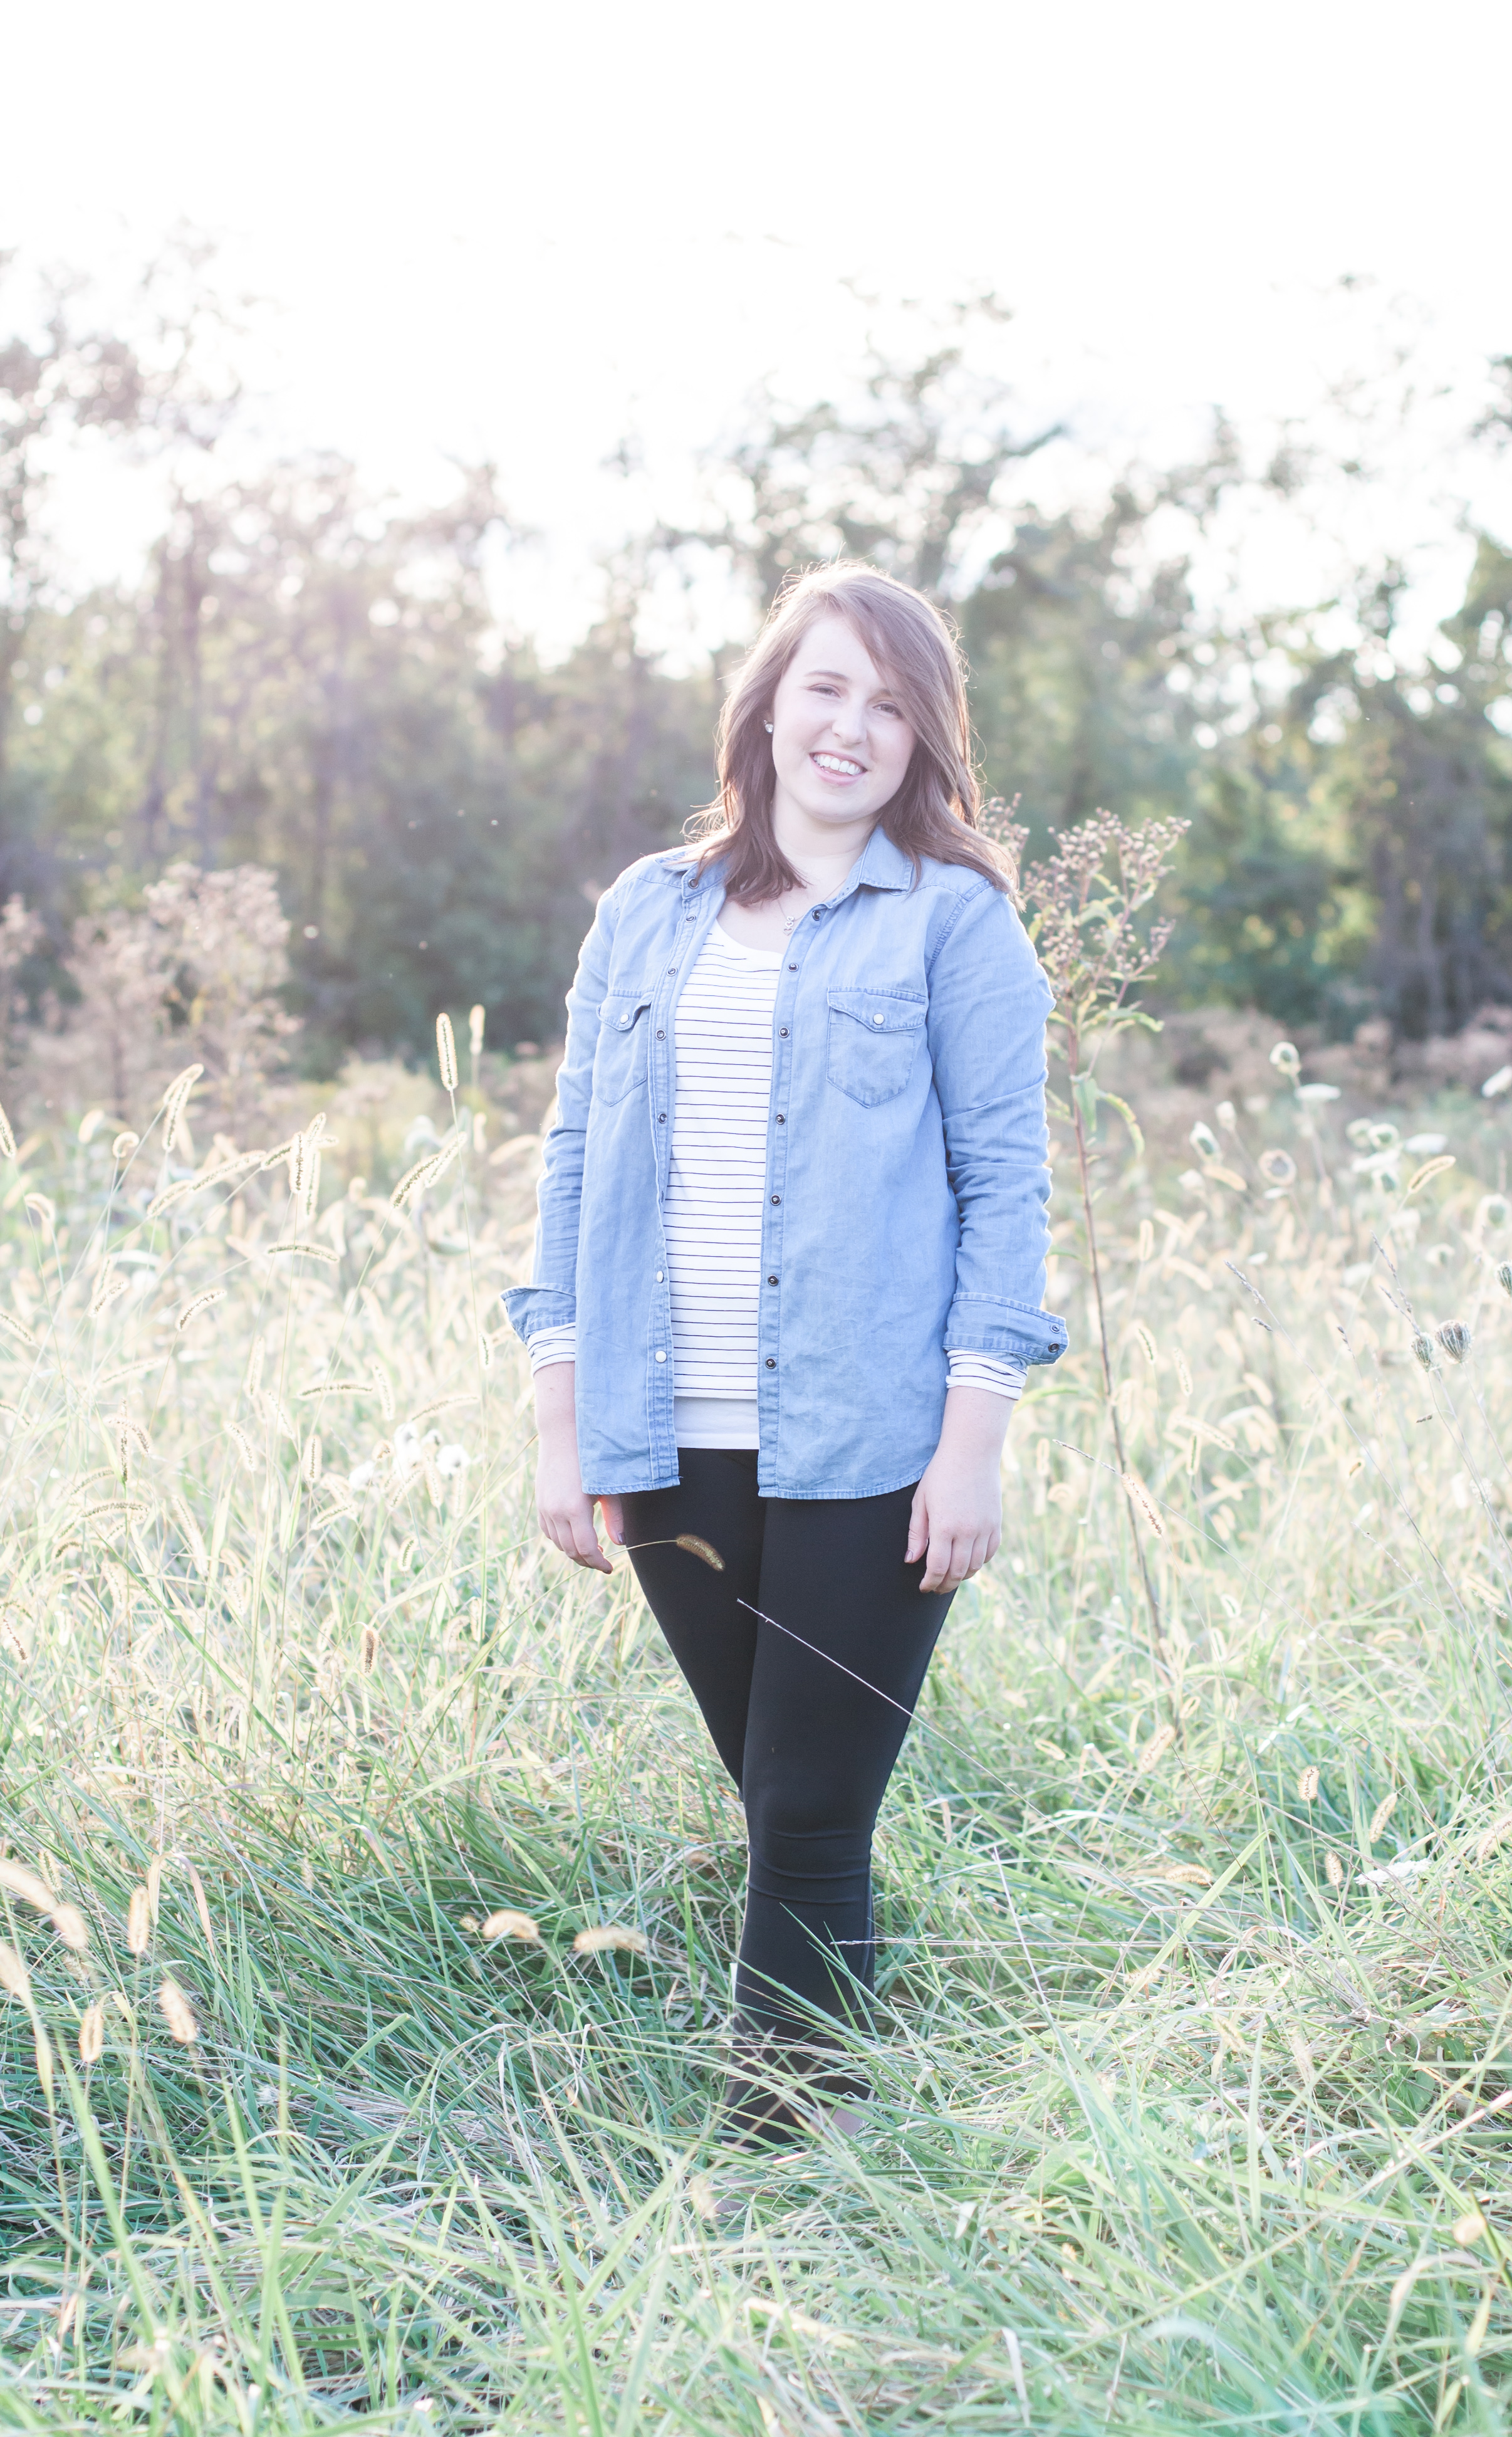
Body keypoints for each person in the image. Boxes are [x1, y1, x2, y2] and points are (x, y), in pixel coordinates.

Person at [504, 562, 1066, 2144]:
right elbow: (572, 1161)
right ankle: (847, 2140)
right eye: (827, 687)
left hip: (867, 1439)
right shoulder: (647, 910)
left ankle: (780, 2170)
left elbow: (1005, 1186)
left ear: (923, 741)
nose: (852, 727)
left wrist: (973, 1447)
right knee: (781, 1802)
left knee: (813, 1814)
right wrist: (560, 1423)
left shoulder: (954, 921)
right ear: (766, 705)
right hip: (665, 1431)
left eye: (892, 706)